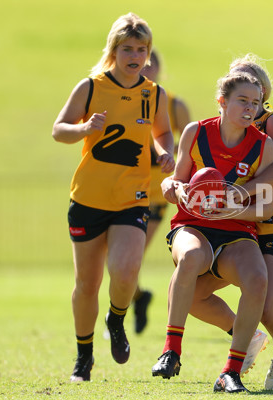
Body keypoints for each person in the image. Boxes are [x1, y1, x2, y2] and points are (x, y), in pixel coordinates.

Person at [52, 13, 175, 382]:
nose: (134, 55)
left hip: (131, 199)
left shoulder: (153, 94)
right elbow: (59, 130)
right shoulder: (90, 87)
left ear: (148, 54)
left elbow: (164, 132)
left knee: (125, 270)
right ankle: (83, 357)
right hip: (88, 199)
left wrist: (164, 151)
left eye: (141, 49)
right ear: (114, 50)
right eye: (127, 49)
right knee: (86, 285)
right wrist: (84, 128)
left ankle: (117, 318)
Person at [151, 71, 273, 393]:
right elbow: (171, 182)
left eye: (256, 103)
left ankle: (231, 372)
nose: (250, 108)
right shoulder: (196, 132)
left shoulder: (265, 146)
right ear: (222, 101)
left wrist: (234, 209)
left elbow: (266, 209)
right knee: (191, 256)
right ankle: (171, 350)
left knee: (258, 279)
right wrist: (177, 190)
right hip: (192, 226)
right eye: (242, 101)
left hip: (237, 231)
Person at [188, 54, 273, 391]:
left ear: (263, 92)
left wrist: (237, 193)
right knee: (191, 295)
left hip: (271, 225)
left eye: (256, 90)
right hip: (235, 227)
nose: (250, 98)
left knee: (266, 305)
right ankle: (247, 339)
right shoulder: (223, 126)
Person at [131, 48, 191, 334]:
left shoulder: (174, 104)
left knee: (132, 254)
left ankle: (115, 314)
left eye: (150, 66)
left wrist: (168, 154)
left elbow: (191, 146)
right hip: (125, 184)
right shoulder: (126, 100)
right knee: (119, 258)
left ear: (159, 70)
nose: (145, 70)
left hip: (156, 190)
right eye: (141, 65)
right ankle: (137, 298)